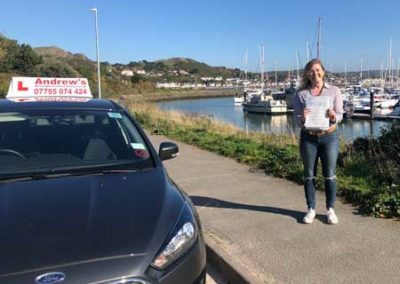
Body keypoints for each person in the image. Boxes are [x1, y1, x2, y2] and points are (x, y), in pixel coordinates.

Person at [293, 58, 343, 224]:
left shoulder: (334, 91)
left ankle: (330, 210)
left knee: (329, 174)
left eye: (317, 70)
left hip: (329, 137)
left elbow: (340, 114)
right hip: (308, 138)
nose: (315, 73)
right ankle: (311, 209)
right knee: (309, 175)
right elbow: (297, 118)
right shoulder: (301, 94)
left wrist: (334, 117)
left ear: (323, 71)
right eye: (311, 71)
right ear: (307, 74)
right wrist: (303, 117)